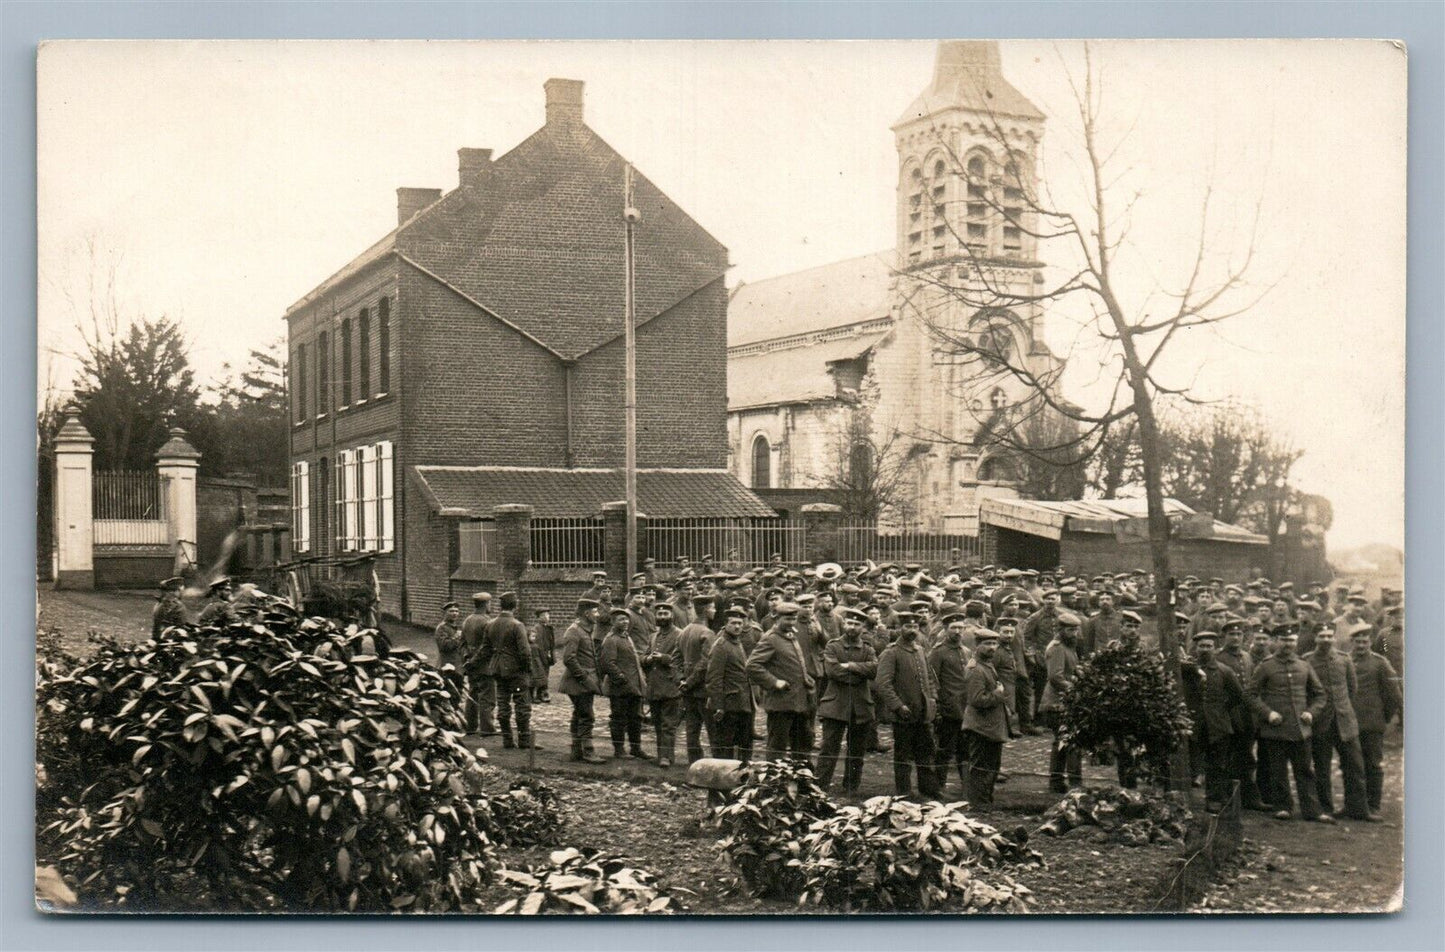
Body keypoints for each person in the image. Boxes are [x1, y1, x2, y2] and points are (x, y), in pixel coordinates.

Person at [1248, 624, 1332, 823]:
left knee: (1305, 770)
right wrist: (1268, 713)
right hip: (1275, 729)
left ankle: (1311, 810)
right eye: (1284, 640)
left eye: (1292, 640)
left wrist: (1311, 713)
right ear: (1276, 642)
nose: (1288, 644)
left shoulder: (1304, 665)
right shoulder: (1266, 666)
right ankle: (1282, 806)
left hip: (1300, 730)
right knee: (1278, 771)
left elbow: (1320, 694)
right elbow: (1250, 695)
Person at [1306, 623, 1370, 820]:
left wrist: (1342, 708)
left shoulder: (1344, 659)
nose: (1326, 639)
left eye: (1329, 636)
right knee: (1322, 767)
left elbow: (1352, 688)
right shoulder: (1307, 661)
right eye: (1321, 636)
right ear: (1315, 638)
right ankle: (1326, 809)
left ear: (1334, 638)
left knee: (1355, 766)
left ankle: (1357, 809)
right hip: (1321, 723)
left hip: (1345, 721)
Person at [875, 611, 940, 799]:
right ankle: (904, 792)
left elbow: (928, 678)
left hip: (922, 711)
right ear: (900, 628)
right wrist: (898, 706)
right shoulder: (891, 652)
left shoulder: (919, 650)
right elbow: (882, 684)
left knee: (926, 752)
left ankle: (928, 789)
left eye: (915, 627)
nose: (912, 630)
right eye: (908, 627)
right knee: (903, 755)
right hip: (904, 713)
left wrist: (932, 701)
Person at [1181, 631, 1248, 810]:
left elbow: (1238, 695)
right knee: (1190, 763)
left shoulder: (1224, 671)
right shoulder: (1187, 670)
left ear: (1215, 648)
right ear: (1195, 648)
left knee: (1217, 764)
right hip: (1193, 724)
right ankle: (1186, 800)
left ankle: (1214, 799)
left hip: (1217, 725)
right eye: (1201, 646)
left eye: (1209, 646)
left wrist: (1220, 709)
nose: (1205, 649)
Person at [816, 607, 878, 795]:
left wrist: (850, 665)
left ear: (862, 627)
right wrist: (860, 672)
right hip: (835, 704)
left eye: (857, 624)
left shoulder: (868, 648)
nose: (852, 627)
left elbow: (874, 671)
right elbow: (833, 672)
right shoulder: (832, 646)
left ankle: (851, 788)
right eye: (849, 623)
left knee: (856, 752)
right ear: (844, 624)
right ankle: (820, 787)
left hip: (860, 706)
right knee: (828, 750)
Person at [746, 602, 815, 765]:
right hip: (780, 703)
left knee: (802, 745)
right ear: (777, 618)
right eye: (787, 619)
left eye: (793, 619)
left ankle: (801, 781)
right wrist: (774, 682)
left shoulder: (791, 635)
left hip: (798, 701)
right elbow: (752, 665)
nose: (791, 623)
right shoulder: (770, 638)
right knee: (777, 746)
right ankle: (773, 783)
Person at [1348, 623, 1399, 820]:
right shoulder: (1345, 660)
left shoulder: (1380, 663)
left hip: (1372, 724)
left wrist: (1383, 718)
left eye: (1364, 641)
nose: (1361, 645)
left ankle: (1373, 806)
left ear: (1369, 641)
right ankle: (1353, 805)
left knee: (1372, 765)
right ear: (1352, 642)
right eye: (1357, 641)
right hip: (1350, 723)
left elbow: (1394, 696)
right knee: (1351, 765)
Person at [479, 593, 537, 751]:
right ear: (515, 605)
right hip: (516, 672)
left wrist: (471, 663)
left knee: (503, 704)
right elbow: (525, 652)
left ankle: (507, 740)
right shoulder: (517, 625)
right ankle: (524, 740)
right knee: (522, 705)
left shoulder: (490, 624)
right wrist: (528, 669)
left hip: (498, 670)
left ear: (501, 606)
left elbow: (485, 649)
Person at [962, 629, 1009, 806]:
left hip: (990, 727)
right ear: (977, 645)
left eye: (994, 644)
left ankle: (984, 802)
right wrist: (998, 694)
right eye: (987, 644)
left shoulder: (986, 665)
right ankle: (978, 804)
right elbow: (976, 699)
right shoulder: (975, 669)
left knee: (991, 768)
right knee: (981, 769)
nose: (992, 648)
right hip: (980, 727)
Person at [928, 611, 973, 794]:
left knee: (965, 749)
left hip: (966, 708)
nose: (957, 631)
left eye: (960, 628)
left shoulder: (967, 651)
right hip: (948, 708)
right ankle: (939, 786)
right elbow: (932, 680)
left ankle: (967, 787)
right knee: (945, 749)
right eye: (953, 628)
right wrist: (937, 705)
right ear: (946, 630)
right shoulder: (938, 652)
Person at [558, 598, 606, 763]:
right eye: (595, 611)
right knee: (586, 715)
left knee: (580, 713)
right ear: (587, 613)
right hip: (578, 682)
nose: (598, 615)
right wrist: (585, 679)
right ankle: (588, 751)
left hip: (582, 680)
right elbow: (569, 659)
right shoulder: (575, 631)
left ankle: (576, 750)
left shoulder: (586, 629)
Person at [1040, 611, 1083, 794]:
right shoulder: (1057, 647)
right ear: (1060, 629)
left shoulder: (1068, 646)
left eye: (1076, 630)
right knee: (1070, 742)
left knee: (1062, 743)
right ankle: (1074, 783)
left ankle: (1057, 782)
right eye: (1070, 630)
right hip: (1057, 703)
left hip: (1063, 702)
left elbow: (1069, 670)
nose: (1074, 633)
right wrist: (1075, 690)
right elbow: (1056, 677)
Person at [707, 607, 756, 763]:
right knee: (725, 746)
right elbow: (714, 678)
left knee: (745, 742)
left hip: (743, 703)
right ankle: (723, 783)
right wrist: (719, 706)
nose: (737, 627)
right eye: (733, 623)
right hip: (729, 705)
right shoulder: (721, 646)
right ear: (725, 625)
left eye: (740, 623)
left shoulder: (736, 642)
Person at [599, 608, 647, 759]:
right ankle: (619, 749)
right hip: (620, 688)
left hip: (634, 686)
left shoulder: (627, 637)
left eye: (626, 619)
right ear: (613, 622)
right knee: (618, 718)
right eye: (621, 619)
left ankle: (636, 748)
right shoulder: (611, 639)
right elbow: (608, 663)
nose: (625, 622)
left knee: (635, 718)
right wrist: (621, 679)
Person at [642, 603, 685, 768]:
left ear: (672, 616)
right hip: (654, 687)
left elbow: (682, 660)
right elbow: (644, 657)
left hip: (670, 686)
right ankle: (662, 755)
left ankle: (666, 757)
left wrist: (663, 658)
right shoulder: (653, 636)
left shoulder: (679, 635)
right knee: (658, 723)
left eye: (665, 614)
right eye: (659, 614)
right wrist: (648, 659)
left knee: (668, 724)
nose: (661, 617)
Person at [677, 595, 718, 765]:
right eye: (713, 608)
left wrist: (682, 680)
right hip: (703, 690)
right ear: (706, 610)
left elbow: (676, 658)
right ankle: (717, 764)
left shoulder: (685, 630)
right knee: (714, 730)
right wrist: (691, 681)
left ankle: (694, 763)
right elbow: (706, 662)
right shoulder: (707, 633)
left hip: (688, 689)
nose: (714, 611)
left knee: (692, 729)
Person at [461, 592, 498, 736]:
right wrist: (475, 660)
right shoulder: (488, 622)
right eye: (490, 603)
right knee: (487, 697)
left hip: (471, 665)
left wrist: (467, 659)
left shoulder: (467, 620)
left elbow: (462, 643)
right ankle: (487, 728)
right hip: (484, 665)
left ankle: (470, 726)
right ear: (486, 604)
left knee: (473, 694)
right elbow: (487, 647)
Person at [530, 609, 555, 702]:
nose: (547, 617)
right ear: (539, 617)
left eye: (548, 615)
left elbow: (551, 641)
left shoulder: (548, 628)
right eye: (545, 615)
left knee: (545, 674)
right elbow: (536, 642)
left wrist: (550, 653)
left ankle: (542, 693)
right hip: (539, 654)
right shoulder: (537, 628)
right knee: (537, 674)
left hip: (546, 654)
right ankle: (533, 694)